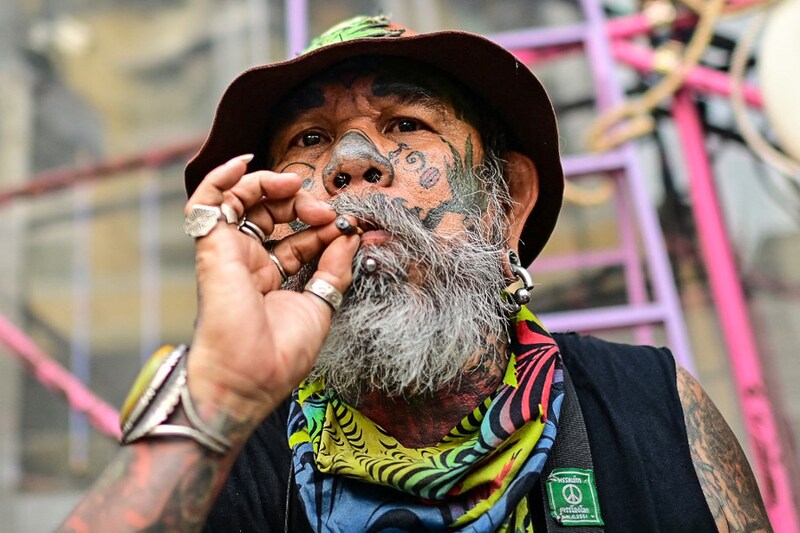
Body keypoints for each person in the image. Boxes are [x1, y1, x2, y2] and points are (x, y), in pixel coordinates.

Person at [58, 15, 771, 532]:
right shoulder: (232, 449)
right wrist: (222, 394)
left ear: (509, 202)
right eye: (310, 140)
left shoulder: (649, 405)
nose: (353, 161)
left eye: (405, 123)